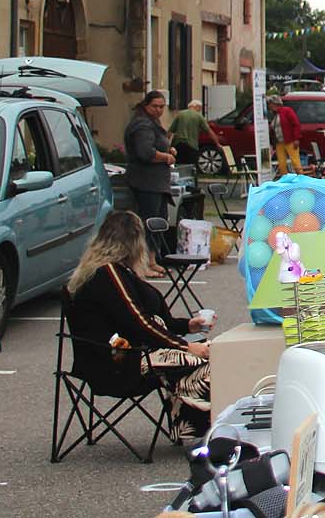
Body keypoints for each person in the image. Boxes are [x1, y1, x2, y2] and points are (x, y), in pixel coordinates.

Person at [67, 210, 214, 442]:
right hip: (118, 362)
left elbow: (153, 319)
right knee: (204, 360)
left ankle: (195, 428)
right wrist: (185, 347)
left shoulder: (115, 271)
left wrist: (188, 325)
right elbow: (140, 323)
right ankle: (196, 431)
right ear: (134, 242)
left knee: (214, 349)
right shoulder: (108, 274)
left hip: (127, 353)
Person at [124, 91, 176, 265]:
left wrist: (169, 150)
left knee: (158, 222)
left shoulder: (153, 122)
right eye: (155, 106)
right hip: (146, 182)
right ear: (146, 105)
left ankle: (152, 260)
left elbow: (158, 145)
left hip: (158, 183)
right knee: (148, 222)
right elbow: (145, 152)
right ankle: (142, 262)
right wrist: (165, 157)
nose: (159, 110)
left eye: (162, 106)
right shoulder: (142, 125)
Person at [167, 100, 221, 171]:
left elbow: (170, 131)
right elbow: (209, 131)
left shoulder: (180, 114)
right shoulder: (199, 116)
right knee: (190, 168)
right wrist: (217, 143)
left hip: (178, 144)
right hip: (191, 145)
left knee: (178, 166)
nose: (200, 110)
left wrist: (167, 145)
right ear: (197, 107)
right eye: (200, 108)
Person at [272, 95, 303, 176]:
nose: (270, 106)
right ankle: (285, 179)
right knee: (282, 163)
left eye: (271, 104)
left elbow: (296, 124)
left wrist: (296, 138)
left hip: (290, 141)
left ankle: (301, 178)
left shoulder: (287, 111)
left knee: (295, 161)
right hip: (279, 142)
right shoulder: (273, 115)